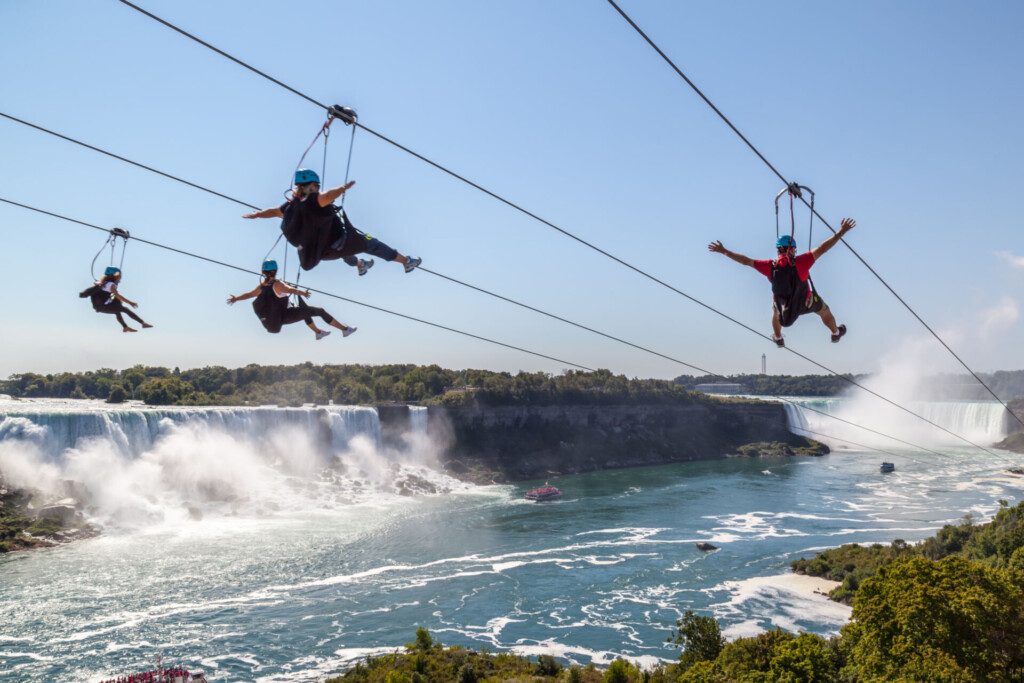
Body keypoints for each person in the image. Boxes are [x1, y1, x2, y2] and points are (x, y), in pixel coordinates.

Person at [708, 218, 856, 347]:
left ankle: (778, 337)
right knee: (824, 310)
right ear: (791, 249)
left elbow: (746, 261)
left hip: (784, 309)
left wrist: (723, 251)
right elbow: (824, 248)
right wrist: (842, 231)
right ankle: (835, 333)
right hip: (807, 302)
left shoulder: (769, 266)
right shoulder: (802, 262)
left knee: (775, 308)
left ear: (778, 249)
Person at [242, 170, 421, 275]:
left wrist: (257, 215)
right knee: (370, 243)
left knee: (345, 247)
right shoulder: (313, 200)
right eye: (315, 185)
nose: (317, 188)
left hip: (322, 252)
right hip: (337, 244)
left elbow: (273, 212)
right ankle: (406, 261)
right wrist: (342, 189)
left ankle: (360, 265)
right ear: (306, 186)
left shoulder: (290, 207)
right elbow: (327, 196)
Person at [227, 260, 356, 339]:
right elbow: (289, 289)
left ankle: (318, 333)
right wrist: (303, 293)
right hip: (283, 316)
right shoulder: (278, 284)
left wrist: (236, 299)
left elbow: (249, 295)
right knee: (319, 311)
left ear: (263, 272)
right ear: (275, 270)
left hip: (274, 320)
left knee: (305, 311)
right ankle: (345, 330)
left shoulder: (262, 287)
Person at [79, 267, 153, 333]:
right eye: (119, 277)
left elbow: (109, 295)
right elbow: (118, 295)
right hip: (103, 306)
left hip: (99, 307)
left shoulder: (103, 284)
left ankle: (125, 327)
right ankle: (143, 323)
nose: (120, 279)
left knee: (117, 310)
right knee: (125, 309)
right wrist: (130, 302)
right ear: (116, 277)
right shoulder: (111, 284)